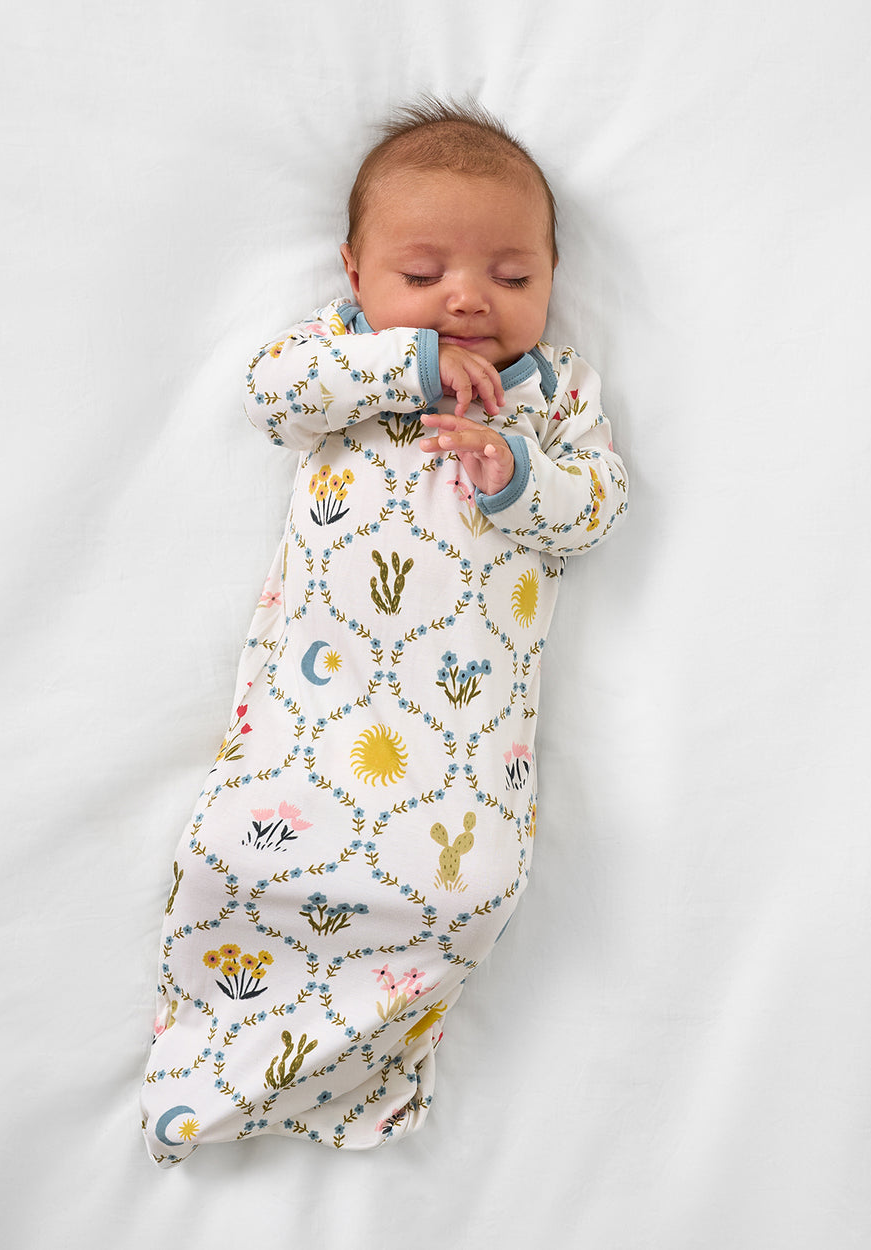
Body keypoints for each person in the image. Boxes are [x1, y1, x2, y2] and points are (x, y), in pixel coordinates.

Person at [140, 98, 628, 1166]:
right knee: (237, 854)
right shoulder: (347, 357)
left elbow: (597, 506)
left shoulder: (551, 399)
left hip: (459, 739)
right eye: (424, 275)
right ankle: (213, 1057)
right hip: (317, 711)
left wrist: (514, 475)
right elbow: (272, 391)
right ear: (355, 273)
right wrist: (399, 363)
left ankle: (371, 1069)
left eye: (512, 276)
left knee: (468, 886)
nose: (468, 298)